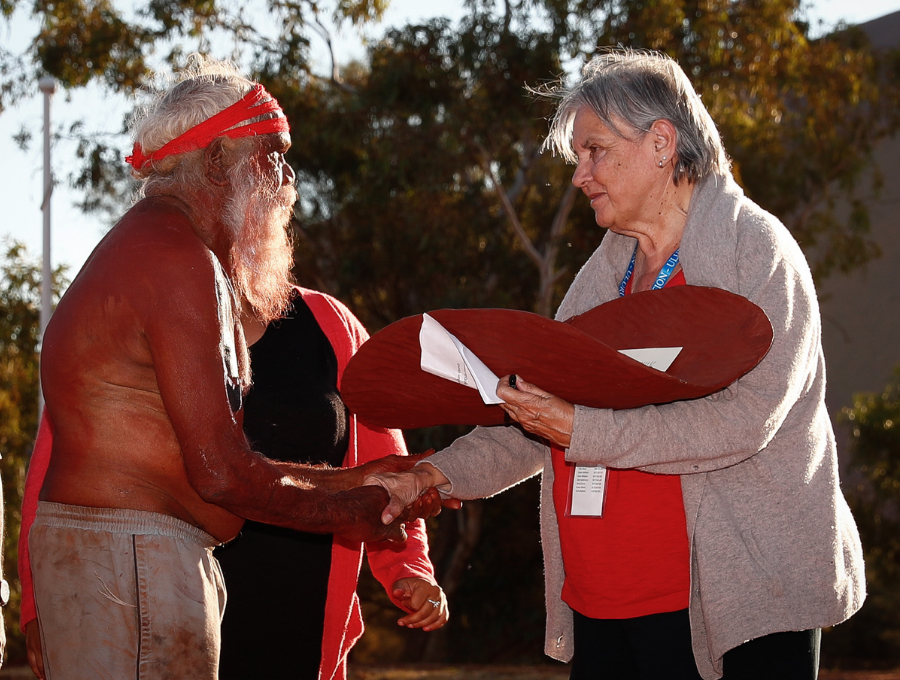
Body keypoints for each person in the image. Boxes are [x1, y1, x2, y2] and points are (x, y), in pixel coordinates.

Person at [367, 49, 865, 680]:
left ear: (662, 142)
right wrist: (435, 476)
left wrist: (582, 429)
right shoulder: (606, 272)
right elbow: (534, 412)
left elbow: (746, 421)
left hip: (733, 609)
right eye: (579, 156)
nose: (581, 175)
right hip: (604, 609)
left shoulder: (754, 251)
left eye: (594, 150)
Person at [25, 55, 441, 680]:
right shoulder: (177, 261)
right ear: (217, 161)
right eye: (270, 154)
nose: (285, 178)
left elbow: (203, 462)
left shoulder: (149, 248)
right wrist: (350, 507)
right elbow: (221, 475)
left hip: (128, 564)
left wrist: (358, 480)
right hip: (129, 566)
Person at [19, 286, 449, 680]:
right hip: (157, 617)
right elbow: (55, 473)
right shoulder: (142, 317)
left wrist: (409, 570)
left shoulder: (330, 323)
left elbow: (388, 470)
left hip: (302, 628)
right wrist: (36, 604)